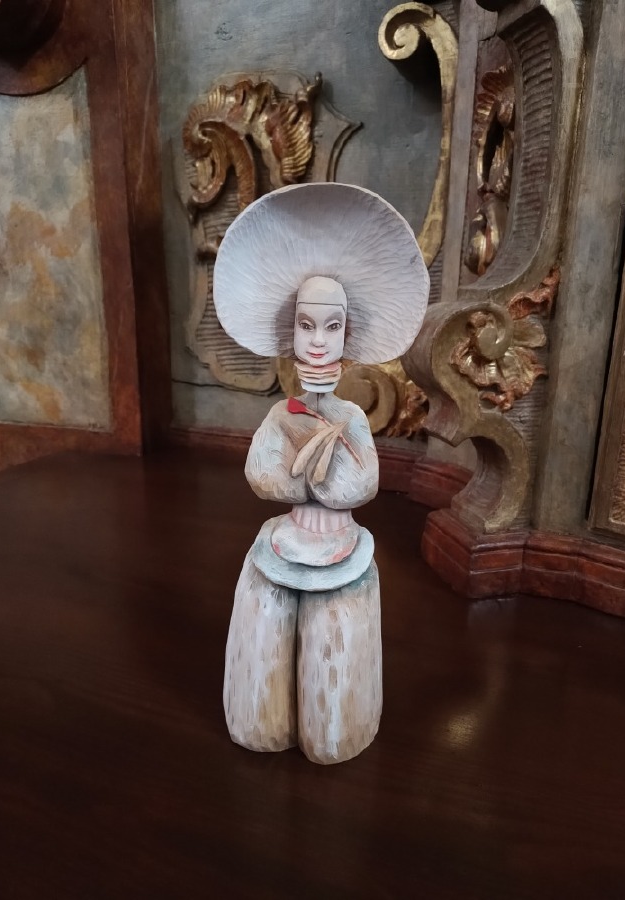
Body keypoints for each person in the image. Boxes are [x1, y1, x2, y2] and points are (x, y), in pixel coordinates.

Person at [213, 182, 429, 764]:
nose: (317, 342)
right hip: (288, 538)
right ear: (291, 332)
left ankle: (333, 729)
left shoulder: (351, 417)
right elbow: (262, 474)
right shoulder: (281, 414)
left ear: (346, 335)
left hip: (339, 546)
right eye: (306, 326)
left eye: (330, 328)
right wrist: (300, 471)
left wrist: (322, 469)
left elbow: (362, 484)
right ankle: (260, 719)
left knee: (336, 628)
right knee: (267, 610)